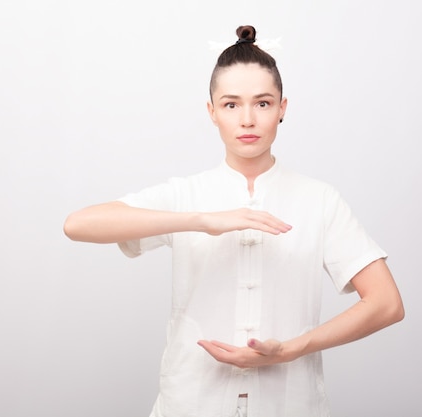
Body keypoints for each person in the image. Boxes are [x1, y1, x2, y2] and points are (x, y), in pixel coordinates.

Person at [64, 25, 404, 417]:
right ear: (211, 112)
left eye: (262, 103)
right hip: (191, 404)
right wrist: (201, 220)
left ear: (282, 108)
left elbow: (386, 303)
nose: (247, 119)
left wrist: (291, 349)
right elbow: (78, 224)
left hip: (290, 404)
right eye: (230, 105)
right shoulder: (186, 194)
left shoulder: (319, 200)